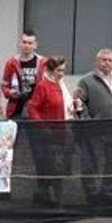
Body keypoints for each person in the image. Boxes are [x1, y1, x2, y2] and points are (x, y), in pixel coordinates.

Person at [74, 47, 112, 205]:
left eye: (110, 60)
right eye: (104, 60)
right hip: (96, 131)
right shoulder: (86, 81)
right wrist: (90, 121)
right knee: (91, 162)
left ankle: (107, 191)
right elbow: (80, 104)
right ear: (97, 61)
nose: (107, 63)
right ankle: (91, 193)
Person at [23, 55, 73, 207]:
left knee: (58, 168)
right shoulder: (43, 86)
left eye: (63, 70)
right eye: (59, 70)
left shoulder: (61, 85)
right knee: (51, 167)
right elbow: (32, 108)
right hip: (48, 135)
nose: (62, 73)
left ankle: (47, 196)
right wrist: (43, 127)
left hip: (61, 132)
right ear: (51, 70)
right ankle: (53, 198)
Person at [1, 30, 45, 119]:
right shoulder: (11, 63)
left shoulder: (43, 63)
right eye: (24, 42)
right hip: (16, 110)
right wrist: (9, 92)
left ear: (35, 45)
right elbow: (4, 86)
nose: (27, 46)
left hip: (37, 110)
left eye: (30, 43)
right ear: (20, 43)